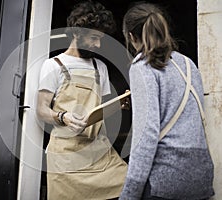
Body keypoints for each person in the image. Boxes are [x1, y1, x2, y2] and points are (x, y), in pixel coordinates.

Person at [119, 2, 214, 200]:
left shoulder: (142, 67)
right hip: (200, 178)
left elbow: (146, 135)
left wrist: (130, 194)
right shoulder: (188, 64)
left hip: (165, 181)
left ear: (131, 37)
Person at [36, 1, 128, 199]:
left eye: (101, 39)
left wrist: (119, 105)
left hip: (98, 152)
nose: (98, 45)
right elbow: (41, 109)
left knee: (131, 184)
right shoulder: (53, 65)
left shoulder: (100, 67)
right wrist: (63, 116)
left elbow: (99, 111)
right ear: (77, 32)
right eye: (94, 38)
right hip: (65, 157)